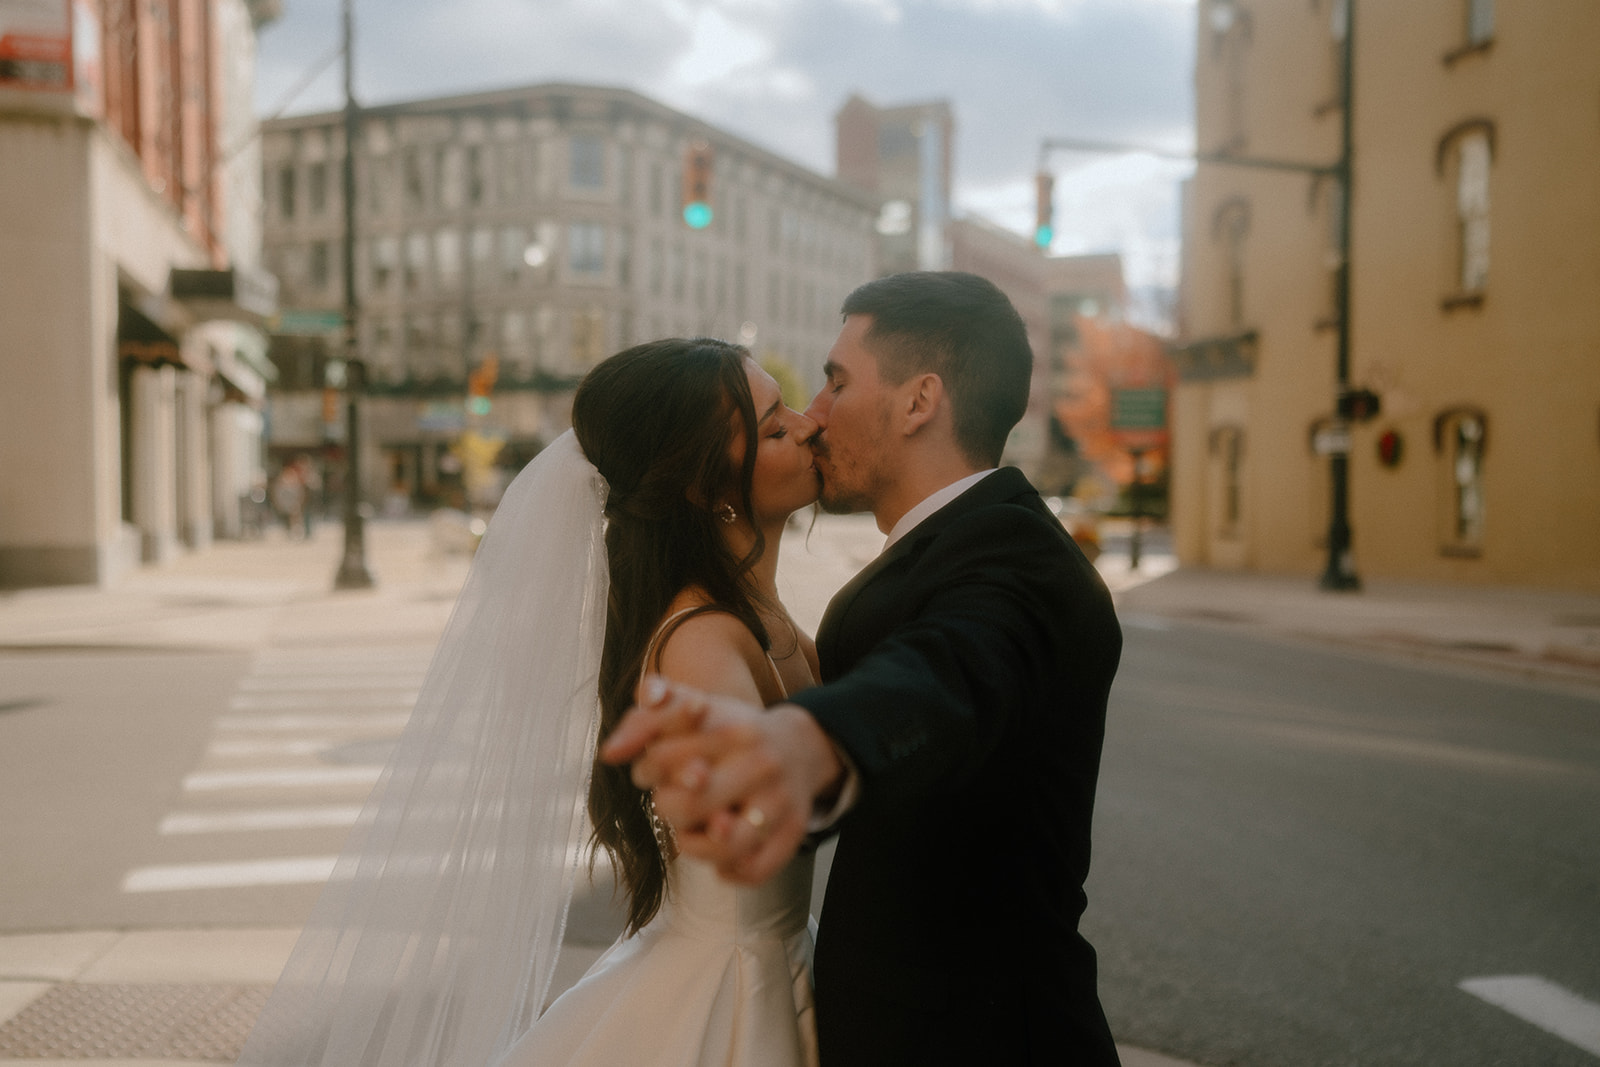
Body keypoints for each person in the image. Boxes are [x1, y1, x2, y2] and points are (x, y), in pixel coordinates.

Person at [236, 338, 824, 1066]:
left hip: (766, 963)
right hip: (730, 998)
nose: (809, 425)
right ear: (706, 487)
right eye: (774, 426)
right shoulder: (703, 644)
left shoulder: (758, 610)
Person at [604, 271, 1125, 1065]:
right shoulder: (939, 548)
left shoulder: (1018, 566)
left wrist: (813, 740)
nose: (814, 415)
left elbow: (951, 671)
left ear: (919, 401)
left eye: (836, 381)